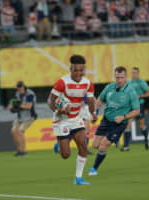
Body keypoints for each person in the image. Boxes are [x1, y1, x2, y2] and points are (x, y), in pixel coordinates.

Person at [48, 55, 96, 185]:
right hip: (61, 119)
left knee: (83, 145)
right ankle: (60, 144)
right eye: (76, 70)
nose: (79, 73)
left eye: (81, 70)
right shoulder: (62, 82)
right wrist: (58, 110)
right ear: (71, 69)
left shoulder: (88, 83)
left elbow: (91, 101)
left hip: (75, 118)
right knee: (65, 155)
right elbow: (51, 101)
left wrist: (93, 113)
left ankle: (78, 178)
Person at [88, 66, 140, 176]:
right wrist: (95, 114)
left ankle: (94, 169)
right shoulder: (109, 87)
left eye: (121, 77)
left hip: (119, 124)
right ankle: (113, 140)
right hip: (106, 120)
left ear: (126, 77)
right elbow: (100, 100)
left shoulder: (131, 91)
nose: (119, 80)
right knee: (95, 145)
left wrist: (124, 117)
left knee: (103, 145)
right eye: (117, 77)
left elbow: (136, 111)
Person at [121, 67, 149, 151]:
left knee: (141, 126)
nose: (133, 74)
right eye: (132, 72)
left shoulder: (141, 82)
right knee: (128, 124)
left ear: (138, 74)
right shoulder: (128, 82)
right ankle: (126, 146)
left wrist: (140, 96)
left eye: (135, 73)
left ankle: (146, 141)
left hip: (139, 105)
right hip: (130, 106)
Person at [8, 81, 37, 156]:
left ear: (22, 87)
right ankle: (19, 150)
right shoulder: (17, 93)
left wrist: (17, 105)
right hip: (20, 117)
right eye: (17, 88)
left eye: (19, 88)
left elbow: (28, 106)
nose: (18, 89)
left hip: (29, 117)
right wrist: (11, 106)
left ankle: (23, 151)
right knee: (13, 131)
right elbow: (14, 102)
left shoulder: (30, 94)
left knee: (20, 131)